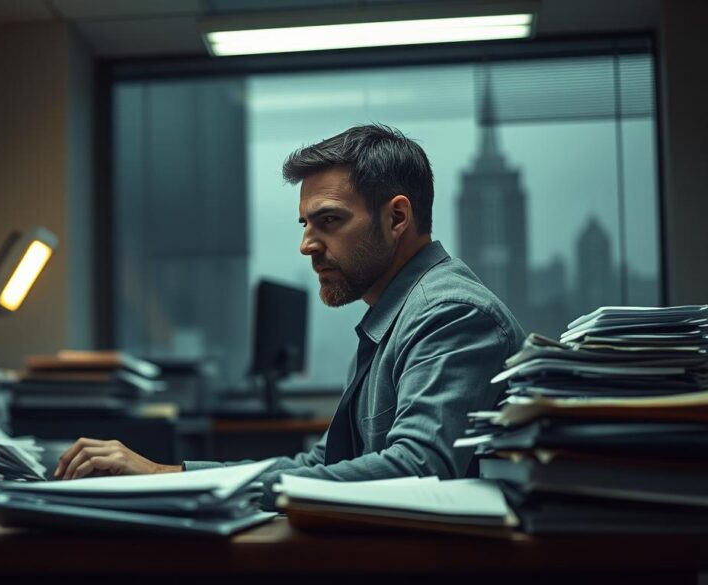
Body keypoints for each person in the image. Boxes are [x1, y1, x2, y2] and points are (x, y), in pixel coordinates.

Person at [54, 124, 525, 504]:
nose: (307, 245)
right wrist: (168, 475)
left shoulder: (451, 313)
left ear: (396, 218)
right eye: (306, 225)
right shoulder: (396, 315)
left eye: (330, 221)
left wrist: (165, 479)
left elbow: (419, 469)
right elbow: (321, 466)